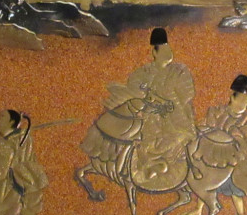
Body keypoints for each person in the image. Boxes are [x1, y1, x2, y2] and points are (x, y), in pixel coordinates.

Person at [77, 27, 196, 195]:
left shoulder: (179, 71)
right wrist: (148, 97)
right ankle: (136, 167)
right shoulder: (144, 72)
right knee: (142, 137)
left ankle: (175, 168)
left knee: (179, 136)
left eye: (168, 48)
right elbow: (135, 89)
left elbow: (186, 95)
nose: (168, 52)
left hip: (175, 114)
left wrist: (168, 100)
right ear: (154, 52)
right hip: (149, 115)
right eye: (163, 49)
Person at [184, 74, 247, 215]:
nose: (241, 106)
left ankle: (240, 214)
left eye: (244, 103)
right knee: (205, 178)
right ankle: (199, 208)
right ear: (232, 99)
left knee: (233, 184)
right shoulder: (220, 111)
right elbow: (208, 125)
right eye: (239, 101)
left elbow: (246, 141)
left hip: (232, 155)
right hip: (212, 151)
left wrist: (234, 134)